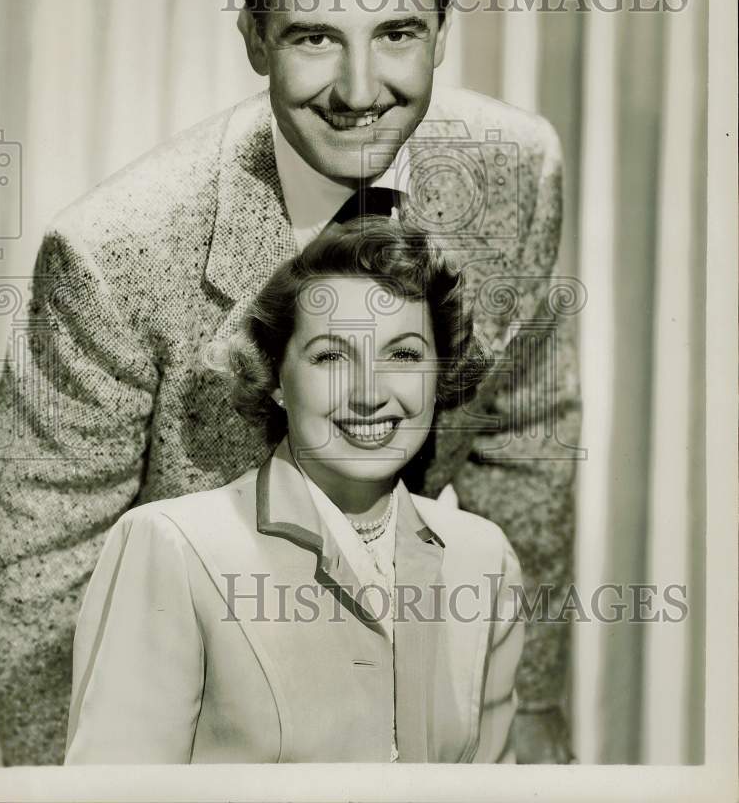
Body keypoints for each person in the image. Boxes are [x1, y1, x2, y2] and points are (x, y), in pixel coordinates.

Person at [0, 0, 580, 766]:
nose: (358, 87)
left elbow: (522, 448)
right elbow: (36, 582)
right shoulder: (111, 257)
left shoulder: (513, 171)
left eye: (398, 32)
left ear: (443, 31)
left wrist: (528, 716)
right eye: (312, 37)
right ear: (254, 39)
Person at [64, 218, 524, 764]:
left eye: (402, 355)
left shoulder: (483, 558)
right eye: (331, 357)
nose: (370, 394)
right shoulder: (173, 547)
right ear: (277, 379)